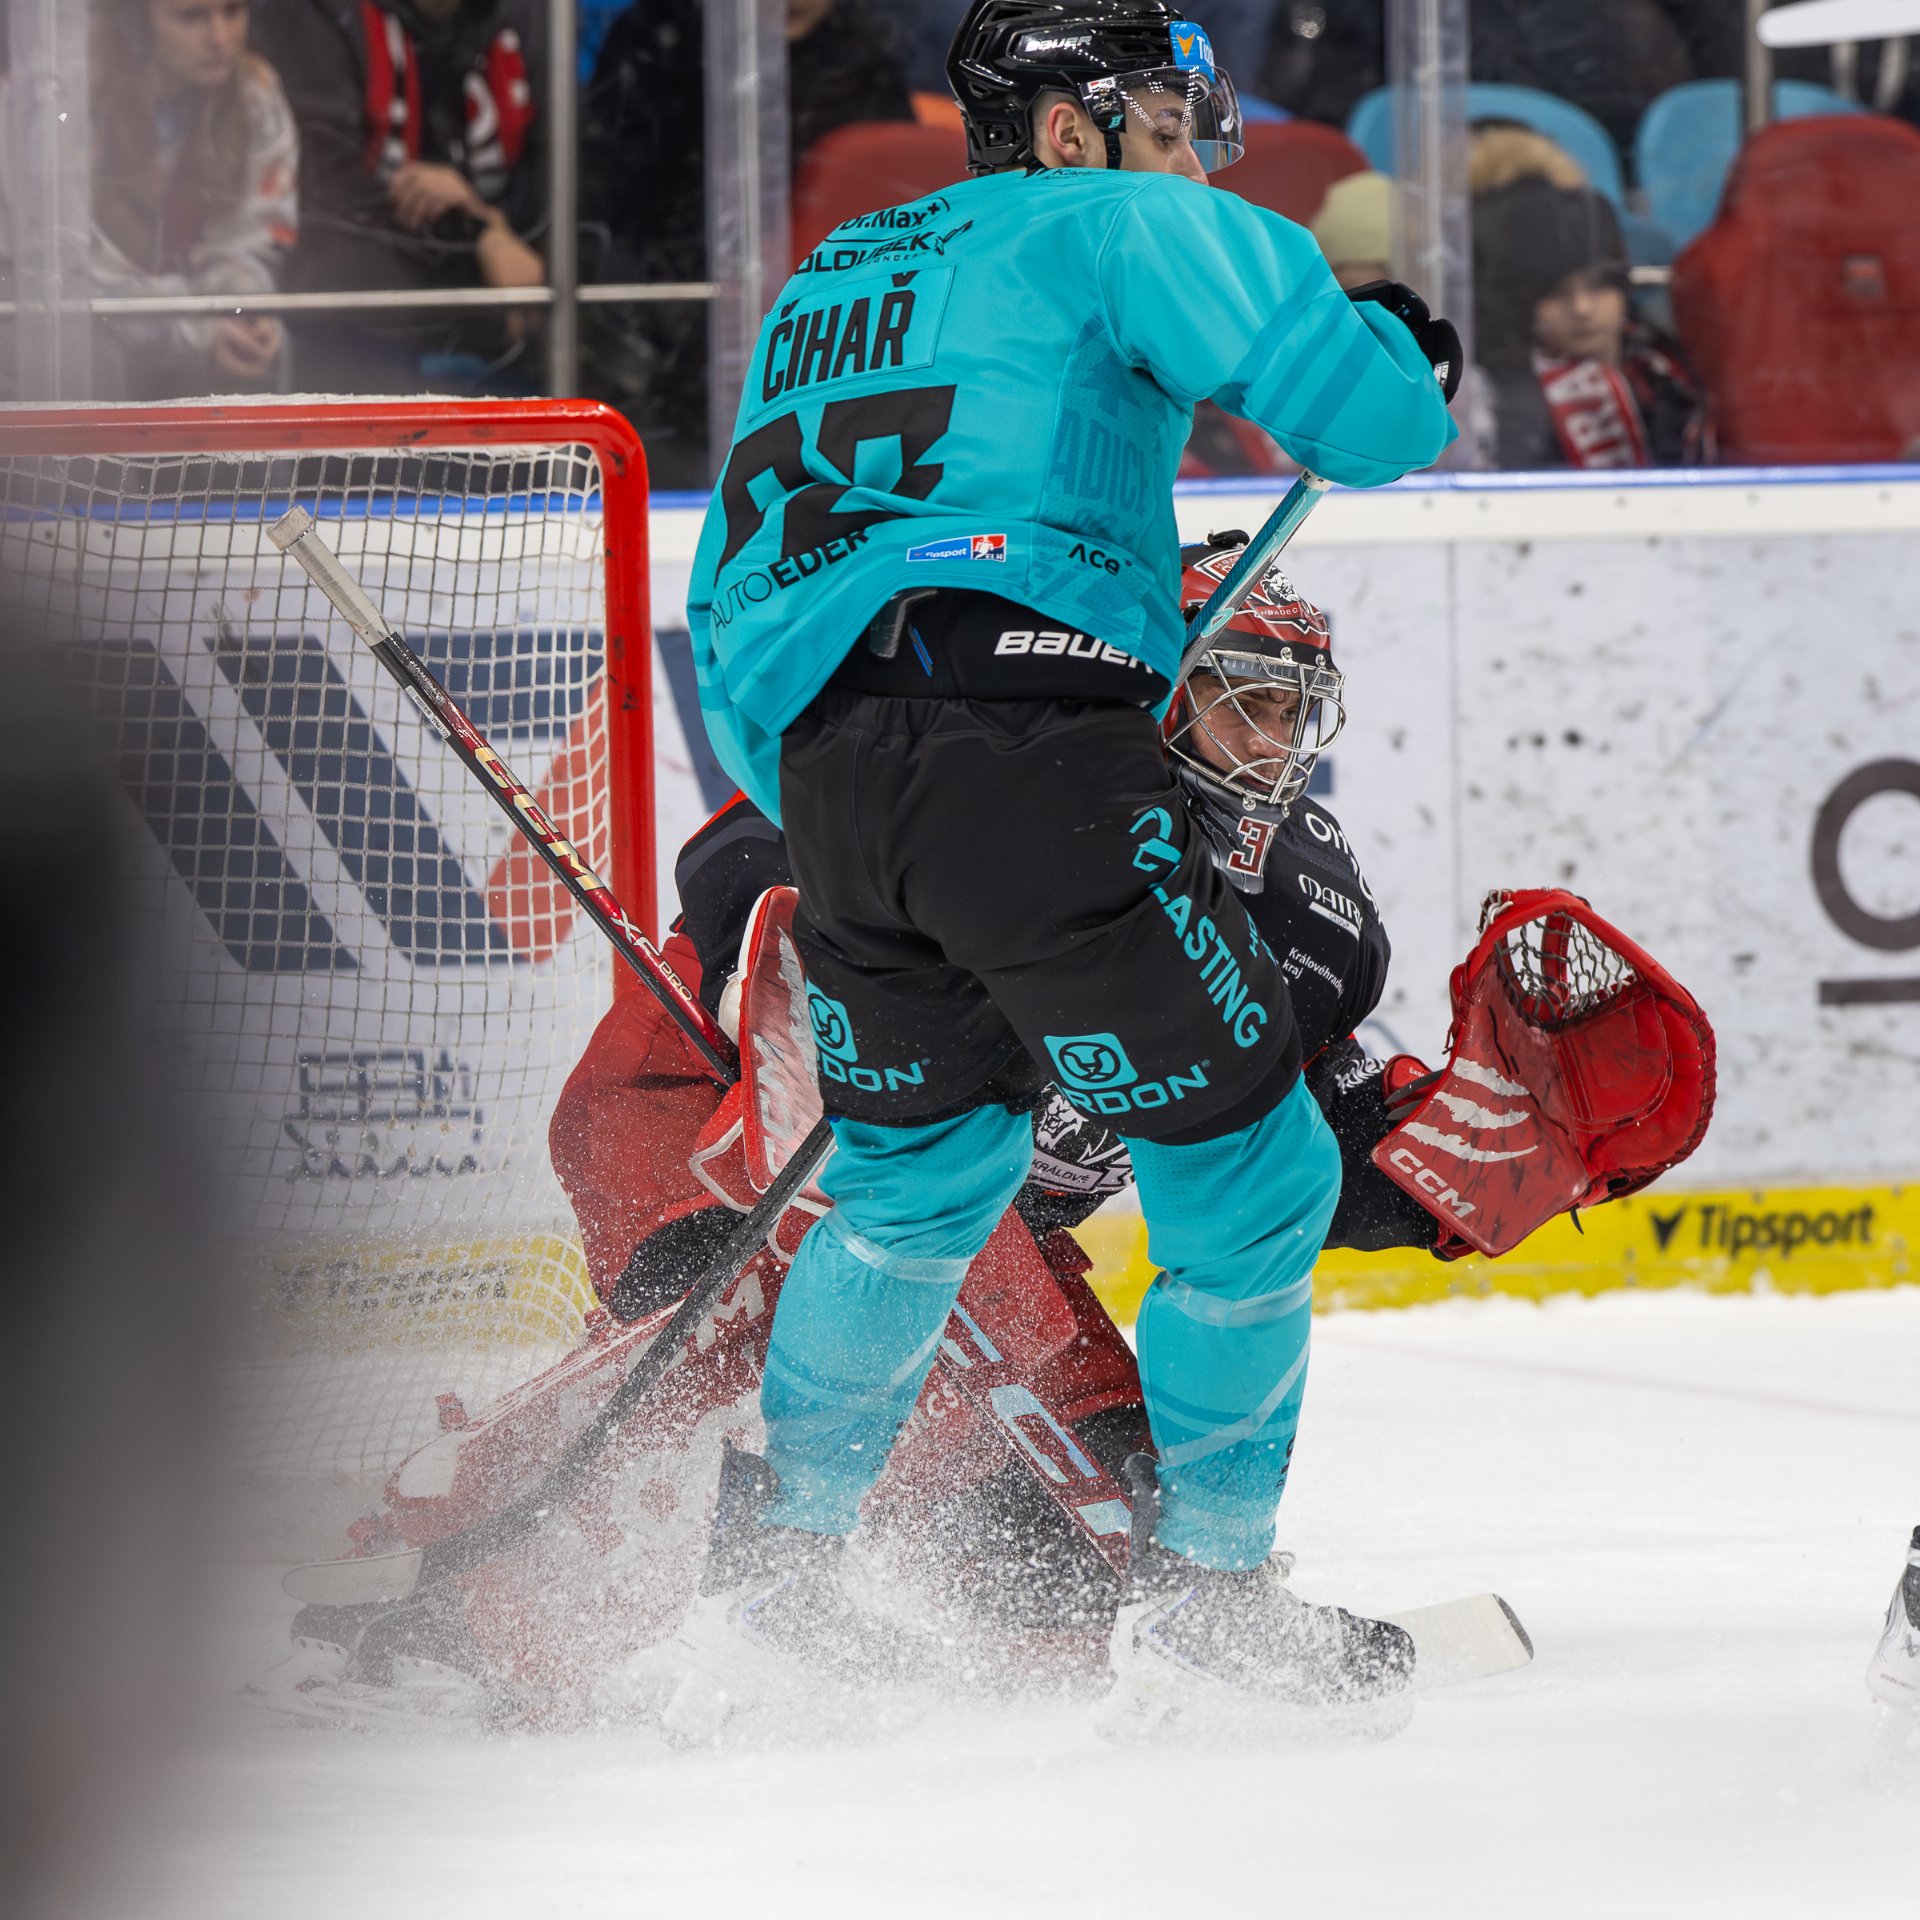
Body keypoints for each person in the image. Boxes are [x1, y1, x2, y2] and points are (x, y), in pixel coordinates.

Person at [675, 0, 1457, 1733]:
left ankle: (774, 1591)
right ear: (1067, 126)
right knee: (1256, 1174)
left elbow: (730, 599)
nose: (1191, 161)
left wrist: (853, 795)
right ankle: (1211, 1607)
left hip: (834, 778)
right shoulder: (1116, 218)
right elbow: (1372, 420)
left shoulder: (829, 278)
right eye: (1167, 122)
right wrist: (1395, 348)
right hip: (1028, 747)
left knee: (915, 1188)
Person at [579, 0, 916, 488]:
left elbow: (892, 220)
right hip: (665, 345)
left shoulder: (863, 54)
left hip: (823, 340)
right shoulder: (661, 41)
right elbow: (604, 198)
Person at [0, 0, 298, 400]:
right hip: (35, 308)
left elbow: (245, 240)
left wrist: (246, 311)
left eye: (232, 11)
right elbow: (69, 267)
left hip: (173, 310)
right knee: (88, 357)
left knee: (267, 351)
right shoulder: (59, 97)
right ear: (136, 22)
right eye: (191, 17)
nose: (220, 37)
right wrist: (196, 333)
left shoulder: (253, 90)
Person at [251, 0, 547, 393]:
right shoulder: (315, 14)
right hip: (362, 311)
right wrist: (476, 230)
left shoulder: (527, 18)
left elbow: (569, 179)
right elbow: (329, 193)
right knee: (346, 273)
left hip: (487, 274)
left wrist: (493, 228)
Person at [1474, 174, 1707, 470]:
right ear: (1526, 306)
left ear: (1623, 289)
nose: (1582, 308)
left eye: (1599, 285)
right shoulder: (1500, 401)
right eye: (1556, 292)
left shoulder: (1669, 372)